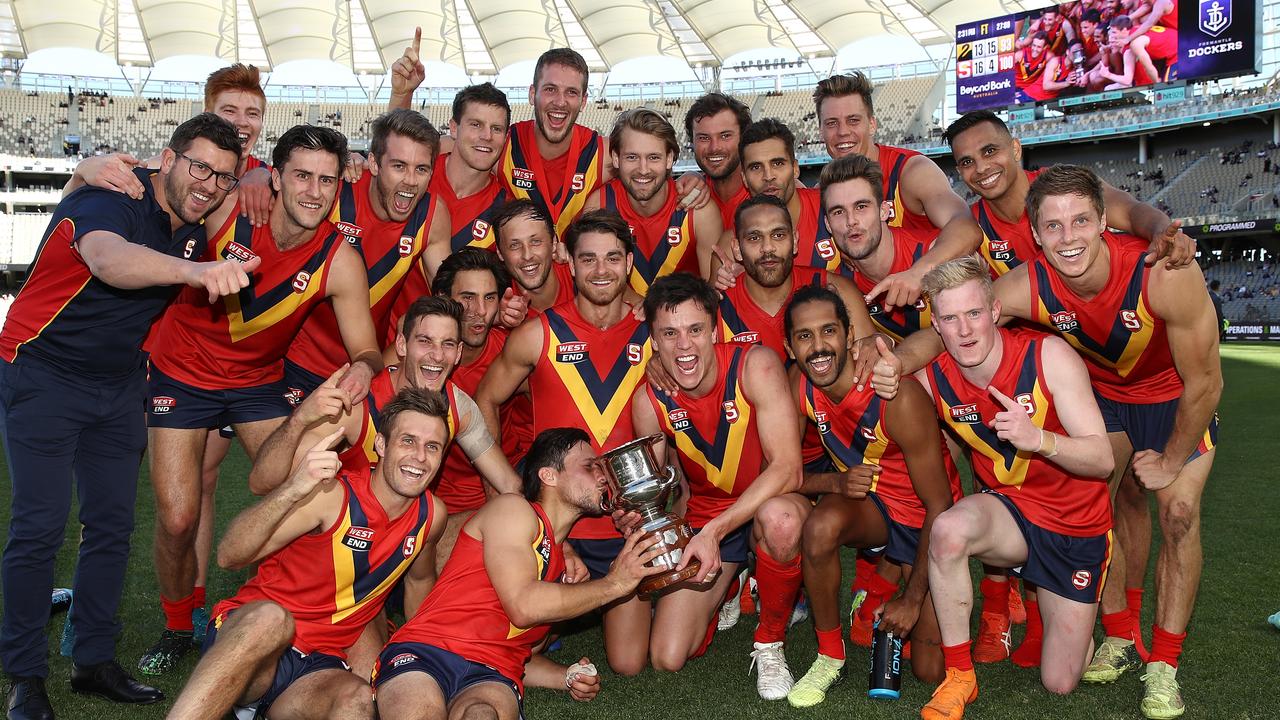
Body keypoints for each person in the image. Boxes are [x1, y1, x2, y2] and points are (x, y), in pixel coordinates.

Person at [877, 167, 1222, 720]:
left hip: (1173, 398)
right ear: (1034, 235)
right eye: (1053, 226)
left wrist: (1175, 457)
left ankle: (1164, 666)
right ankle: (1117, 632)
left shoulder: (1164, 272)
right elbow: (953, 323)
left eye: (1081, 220)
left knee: (1177, 513)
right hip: (1106, 398)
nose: (1069, 237)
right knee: (1110, 502)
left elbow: (1206, 382)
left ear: (1103, 221)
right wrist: (897, 363)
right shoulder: (1020, 286)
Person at [0, 113, 246, 720]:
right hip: (42, 371)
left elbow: (271, 190)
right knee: (40, 527)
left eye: (222, 175)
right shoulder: (116, 192)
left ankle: (92, 660)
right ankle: (25, 676)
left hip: (117, 385)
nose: (208, 184)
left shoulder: (194, 214)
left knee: (111, 525)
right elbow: (107, 260)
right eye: (198, 167)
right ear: (166, 159)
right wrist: (195, 271)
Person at [139, 124, 384, 676]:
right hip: (181, 375)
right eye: (301, 175)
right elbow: (166, 189)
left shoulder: (338, 257)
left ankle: (312, 611)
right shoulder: (230, 210)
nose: (313, 191)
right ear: (275, 177)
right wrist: (90, 172)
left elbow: (366, 347)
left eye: (325, 180)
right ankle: (179, 626)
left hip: (256, 384)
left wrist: (365, 371)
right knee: (178, 519)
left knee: (316, 487)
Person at [165, 388, 451, 720]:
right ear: (382, 445)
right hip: (255, 647)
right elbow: (228, 555)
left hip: (317, 664)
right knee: (272, 620)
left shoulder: (431, 517)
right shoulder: (332, 497)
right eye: (408, 441)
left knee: (357, 699)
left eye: (432, 447)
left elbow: (419, 586)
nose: (419, 457)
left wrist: (424, 658)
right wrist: (293, 489)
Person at [914, 257, 1115, 719]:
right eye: (949, 318)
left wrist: (1038, 439)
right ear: (936, 326)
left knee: (1059, 683)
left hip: (1076, 524)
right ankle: (960, 677)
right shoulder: (933, 381)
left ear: (995, 311)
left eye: (973, 313)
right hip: (1012, 517)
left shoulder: (1048, 356)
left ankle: (1058, 608)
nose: (964, 330)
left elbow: (1103, 460)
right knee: (949, 532)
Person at [373, 428, 661, 720]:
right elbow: (523, 606)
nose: (603, 476)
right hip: (427, 652)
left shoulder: (563, 570)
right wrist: (614, 584)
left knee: (482, 714)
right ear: (549, 476)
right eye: (590, 466)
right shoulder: (513, 510)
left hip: (491, 673)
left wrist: (565, 676)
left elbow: (518, 652)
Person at [475, 210, 653, 672]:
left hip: (623, 525)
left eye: (613, 258)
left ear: (629, 262)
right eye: (587, 258)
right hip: (554, 528)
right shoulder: (537, 333)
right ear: (568, 264)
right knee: (505, 648)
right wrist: (508, 493)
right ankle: (564, 605)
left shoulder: (656, 334)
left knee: (630, 663)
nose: (600, 270)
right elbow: (485, 401)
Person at [249, 295, 520, 578]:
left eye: (448, 344)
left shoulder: (459, 407)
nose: (437, 356)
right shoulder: (356, 404)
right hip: (342, 543)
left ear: (459, 352)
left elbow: (508, 484)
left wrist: (547, 534)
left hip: (402, 539)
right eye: (425, 341)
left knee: (501, 517)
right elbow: (264, 484)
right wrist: (299, 419)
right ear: (402, 345)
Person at [627, 273, 803, 699]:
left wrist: (712, 533)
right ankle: (736, 577)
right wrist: (639, 513)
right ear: (653, 339)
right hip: (708, 515)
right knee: (667, 656)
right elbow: (659, 489)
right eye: (669, 333)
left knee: (778, 521)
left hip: (769, 500)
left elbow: (787, 470)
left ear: (714, 330)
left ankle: (769, 641)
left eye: (694, 330)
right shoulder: (648, 402)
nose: (683, 346)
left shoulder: (755, 364)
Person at [783, 285, 959, 708]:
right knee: (820, 526)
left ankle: (892, 577)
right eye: (804, 336)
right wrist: (834, 484)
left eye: (829, 331)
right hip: (872, 506)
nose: (819, 347)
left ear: (849, 335)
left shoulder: (897, 396)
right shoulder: (798, 385)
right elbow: (780, 475)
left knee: (929, 670)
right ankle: (829, 654)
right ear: (789, 347)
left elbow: (941, 507)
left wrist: (913, 600)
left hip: (925, 520)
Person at [284, 108, 452, 397]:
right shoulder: (336, 190)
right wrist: (258, 179)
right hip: (299, 358)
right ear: (373, 163)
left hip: (367, 366)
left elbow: (448, 296)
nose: (411, 180)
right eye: (399, 166)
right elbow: (287, 188)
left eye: (421, 169)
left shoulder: (432, 214)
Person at [943, 110, 1195, 279]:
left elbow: (1129, 210)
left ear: (1016, 149)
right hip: (1043, 354)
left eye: (989, 151)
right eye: (967, 162)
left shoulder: (1066, 184)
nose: (981, 168)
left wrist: (1161, 229)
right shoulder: (970, 229)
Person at [812, 72, 982, 308]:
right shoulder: (826, 193)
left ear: (872, 124)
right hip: (877, 315)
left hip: (937, 305)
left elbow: (966, 228)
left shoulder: (911, 172)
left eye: (853, 120)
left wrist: (918, 272)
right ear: (820, 131)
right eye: (831, 123)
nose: (842, 132)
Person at [583, 108, 723, 295]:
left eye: (653, 157)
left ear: (669, 159)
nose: (643, 169)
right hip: (620, 321)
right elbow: (592, 281)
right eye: (632, 157)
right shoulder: (599, 205)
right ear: (616, 158)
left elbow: (713, 294)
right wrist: (638, 304)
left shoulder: (698, 210)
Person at [737, 118, 843, 273]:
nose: (768, 176)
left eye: (777, 163)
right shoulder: (738, 230)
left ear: (795, 168)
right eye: (756, 167)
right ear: (744, 178)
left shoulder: (832, 207)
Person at [685, 93, 752, 232]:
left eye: (725, 136)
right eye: (704, 138)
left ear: (744, 139)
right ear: (693, 143)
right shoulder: (688, 196)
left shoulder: (767, 192)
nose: (714, 147)